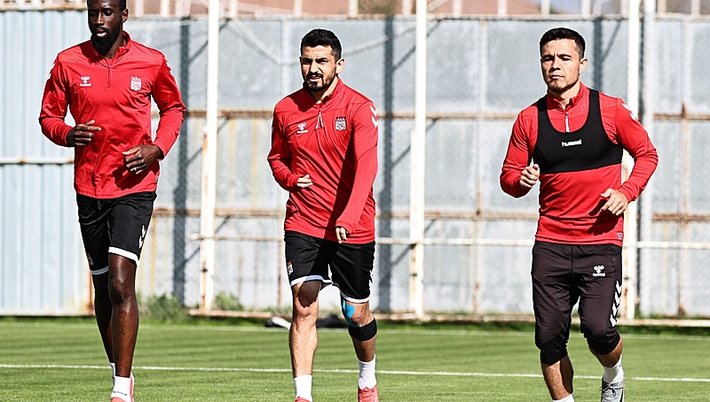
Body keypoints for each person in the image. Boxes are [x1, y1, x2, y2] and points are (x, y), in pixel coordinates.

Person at [500, 27, 658, 402]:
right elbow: (509, 178)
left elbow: (647, 154)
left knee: (599, 330)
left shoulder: (610, 110)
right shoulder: (529, 119)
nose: (554, 65)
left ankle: (613, 376)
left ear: (582, 63)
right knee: (549, 338)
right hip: (550, 244)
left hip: (601, 242)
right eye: (547, 58)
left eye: (564, 58)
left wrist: (626, 192)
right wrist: (521, 180)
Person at [39, 1, 185, 401]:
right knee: (103, 288)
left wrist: (156, 148)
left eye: (106, 12)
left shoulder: (150, 61)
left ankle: (121, 388)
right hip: (89, 187)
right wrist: (68, 135)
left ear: (123, 14)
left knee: (121, 282)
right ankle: (121, 370)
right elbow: (49, 117)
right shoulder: (68, 62)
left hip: (135, 187)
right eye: (93, 13)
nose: (99, 21)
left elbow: (173, 109)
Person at [267, 28, 380, 402]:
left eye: (321, 61)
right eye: (306, 60)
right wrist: (289, 179)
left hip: (352, 225)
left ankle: (367, 378)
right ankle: (303, 396)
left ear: (338, 64)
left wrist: (348, 216)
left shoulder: (359, 107)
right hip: (304, 221)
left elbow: (367, 166)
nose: (313, 68)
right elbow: (277, 158)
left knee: (356, 312)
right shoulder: (285, 109)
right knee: (304, 305)